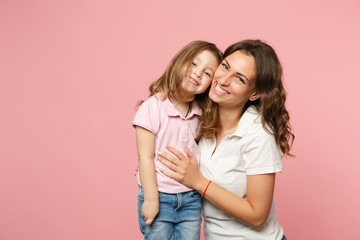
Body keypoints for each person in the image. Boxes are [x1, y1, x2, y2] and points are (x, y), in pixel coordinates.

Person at [158, 39, 294, 240]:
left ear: (255, 93)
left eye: (240, 79)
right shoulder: (200, 117)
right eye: (225, 66)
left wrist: (199, 182)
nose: (222, 80)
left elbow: (258, 216)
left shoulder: (258, 133)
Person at [132, 40, 222, 240]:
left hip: (191, 199)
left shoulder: (202, 114)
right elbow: (145, 158)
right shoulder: (153, 107)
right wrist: (151, 200)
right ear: (179, 61)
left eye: (208, 73)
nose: (198, 73)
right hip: (159, 196)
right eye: (194, 63)